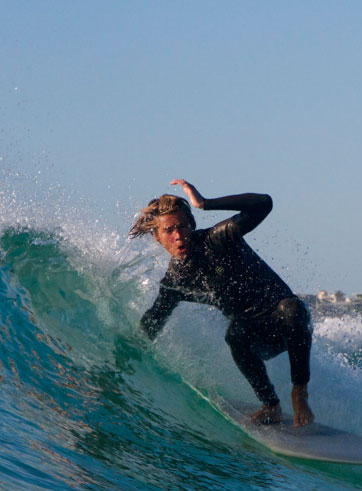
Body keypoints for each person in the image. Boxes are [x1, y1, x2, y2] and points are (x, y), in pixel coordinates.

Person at [131, 179, 314, 427]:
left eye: (183, 226)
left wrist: (205, 203)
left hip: (291, 326)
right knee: (236, 333)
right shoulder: (176, 281)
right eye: (169, 230)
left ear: (192, 224)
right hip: (256, 340)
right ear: (156, 237)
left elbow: (263, 203)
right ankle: (270, 405)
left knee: (291, 308)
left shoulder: (217, 240)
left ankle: (299, 392)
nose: (178, 235)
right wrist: (125, 357)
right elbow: (153, 321)